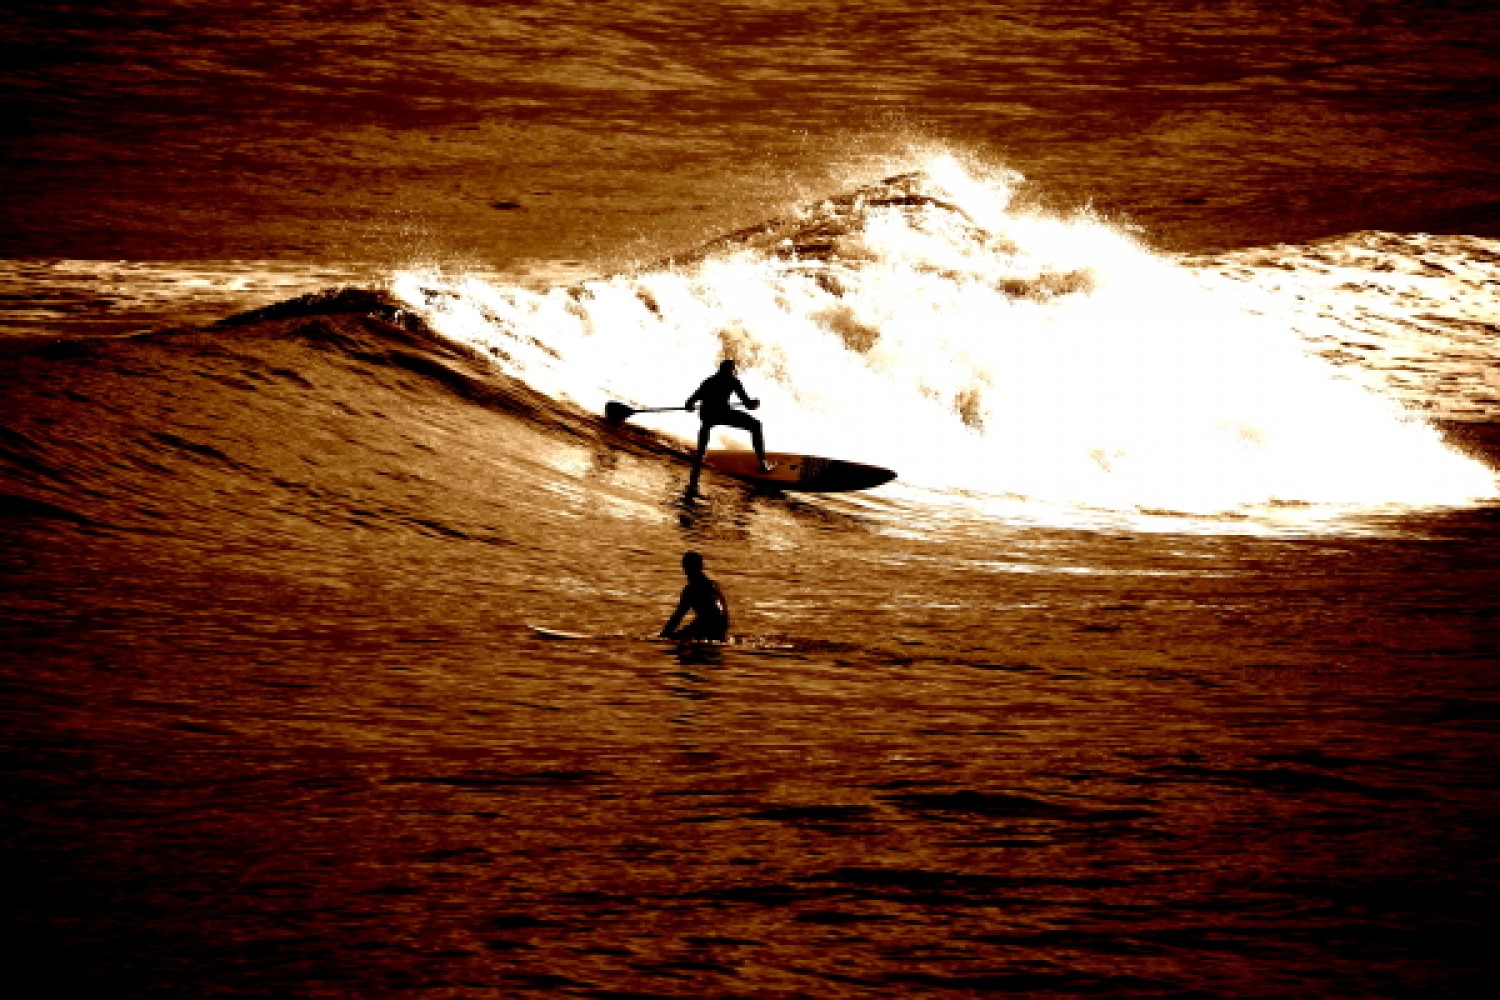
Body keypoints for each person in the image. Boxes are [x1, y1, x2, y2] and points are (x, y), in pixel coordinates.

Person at [685, 358, 773, 494]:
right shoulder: (728, 381)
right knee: (756, 425)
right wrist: (754, 403)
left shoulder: (711, 381)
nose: (731, 373)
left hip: (711, 413)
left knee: (706, 425)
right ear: (729, 370)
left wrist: (690, 405)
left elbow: (690, 401)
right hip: (717, 413)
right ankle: (762, 463)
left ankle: (700, 454)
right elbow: (748, 404)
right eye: (731, 370)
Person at [660, 550, 730, 642]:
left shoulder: (692, 590)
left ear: (685, 568)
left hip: (708, 625)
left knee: (674, 642)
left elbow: (678, 616)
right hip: (721, 626)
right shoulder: (713, 585)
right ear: (701, 566)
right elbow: (722, 613)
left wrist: (663, 636)